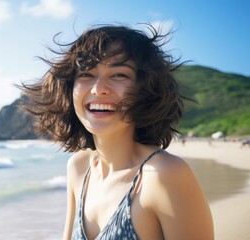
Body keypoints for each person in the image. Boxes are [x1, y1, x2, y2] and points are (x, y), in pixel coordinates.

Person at [20, 24, 214, 240]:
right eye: (86, 73)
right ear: (70, 88)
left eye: (119, 75)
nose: (98, 88)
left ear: (146, 89)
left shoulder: (164, 174)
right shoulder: (78, 168)